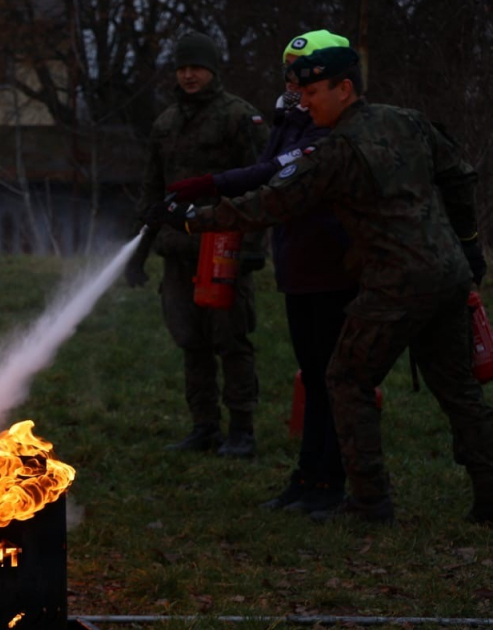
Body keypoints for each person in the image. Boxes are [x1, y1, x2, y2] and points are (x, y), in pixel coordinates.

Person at [147, 46, 493, 524]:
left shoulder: (335, 151)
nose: (304, 103)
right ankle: (489, 494)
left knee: (345, 380)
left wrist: (191, 221)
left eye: (312, 92)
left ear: (345, 88)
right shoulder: (408, 121)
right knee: (459, 393)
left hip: (393, 286)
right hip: (449, 276)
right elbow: (459, 175)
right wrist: (469, 244)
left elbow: (271, 204)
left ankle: (369, 502)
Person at [165, 30, 352, 513]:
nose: (296, 89)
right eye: (290, 76)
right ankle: (308, 478)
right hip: (297, 264)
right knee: (313, 378)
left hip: (331, 267)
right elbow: (271, 165)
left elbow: (272, 180)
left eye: (306, 81)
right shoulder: (290, 117)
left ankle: (331, 483)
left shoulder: (333, 131)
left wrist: (208, 196)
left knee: (332, 380)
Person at [125, 32, 270, 456]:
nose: (189, 75)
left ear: (213, 70)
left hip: (223, 249)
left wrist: (251, 246)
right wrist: (139, 249)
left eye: (197, 67)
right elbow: (153, 189)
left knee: (232, 340)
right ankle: (204, 426)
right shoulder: (166, 123)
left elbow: (263, 186)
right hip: (177, 252)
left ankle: (242, 429)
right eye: (182, 68)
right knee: (191, 341)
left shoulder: (239, 118)